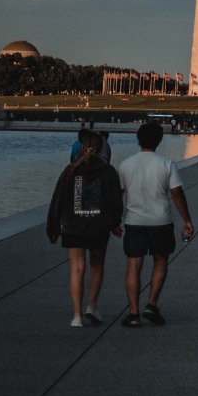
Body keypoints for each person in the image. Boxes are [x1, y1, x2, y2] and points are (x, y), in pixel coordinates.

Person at [116, 119, 195, 327]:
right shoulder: (167, 164)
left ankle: (133, 314)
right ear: (159, 140)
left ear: (138, 140)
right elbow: (177, 194)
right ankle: (151, 305)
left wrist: (115, 221)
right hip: (160, 221)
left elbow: (118, 195)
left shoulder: (126, 164)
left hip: (134, 221)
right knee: (161, 260)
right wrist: (187, 220)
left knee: (134, 264)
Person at [46, 132, 122, 327]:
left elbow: (57, 201)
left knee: (77, 268)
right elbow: (115, 201)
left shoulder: (70, 170)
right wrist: (115, 224)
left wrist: (53, 227)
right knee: (97, 265)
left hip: (73, 226)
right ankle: (92, 306)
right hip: (98, 226)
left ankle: (77, 315)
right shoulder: (108, 171)